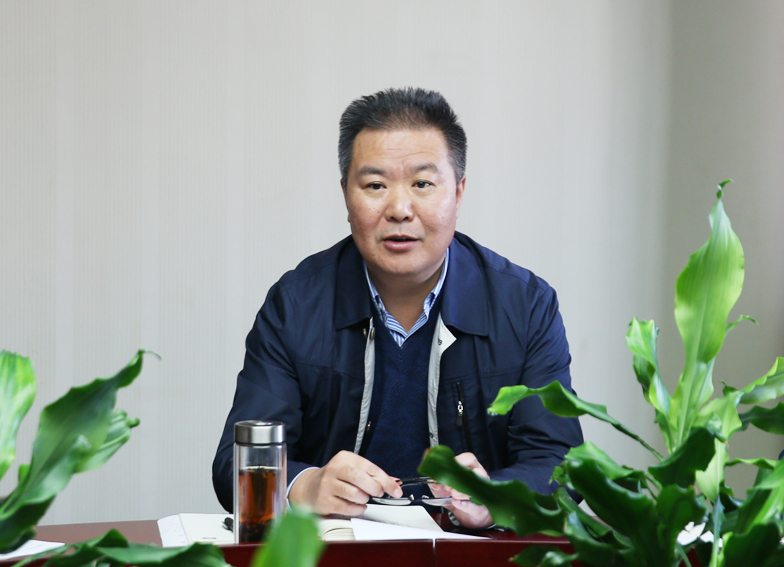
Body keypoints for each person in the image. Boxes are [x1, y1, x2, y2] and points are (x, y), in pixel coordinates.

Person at [212, 87, 583, 528]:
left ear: (459, 192)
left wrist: (495, 498)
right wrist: (305, 485)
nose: (399, 209)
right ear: (346, 194)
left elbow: (560, 464)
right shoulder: (295, 304)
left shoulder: (524, 305)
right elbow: (234, 464)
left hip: (470, 554)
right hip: (335, 552)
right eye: (375, 185)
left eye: (422, 184)